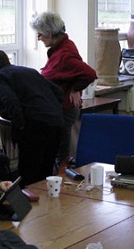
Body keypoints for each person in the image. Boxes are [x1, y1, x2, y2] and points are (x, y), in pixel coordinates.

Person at [0, 50, 64, 186]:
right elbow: (58, 92)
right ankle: (46, 199)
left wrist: (20, 126)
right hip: (56, 123)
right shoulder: (29, 71)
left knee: (28, 173)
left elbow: (11, 101)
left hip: (34, 127)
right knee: (46, 171)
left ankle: (29, 199)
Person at [30, 11, 97, 171]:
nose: (39, 38)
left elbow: (89, 73)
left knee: (62, 157)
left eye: (40, 35)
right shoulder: (62, 46)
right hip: (60, 108)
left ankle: (60, 182)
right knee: (60, 154)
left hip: (64, 110)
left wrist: (75, 88)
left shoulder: (64, 54)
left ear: (50, 33)